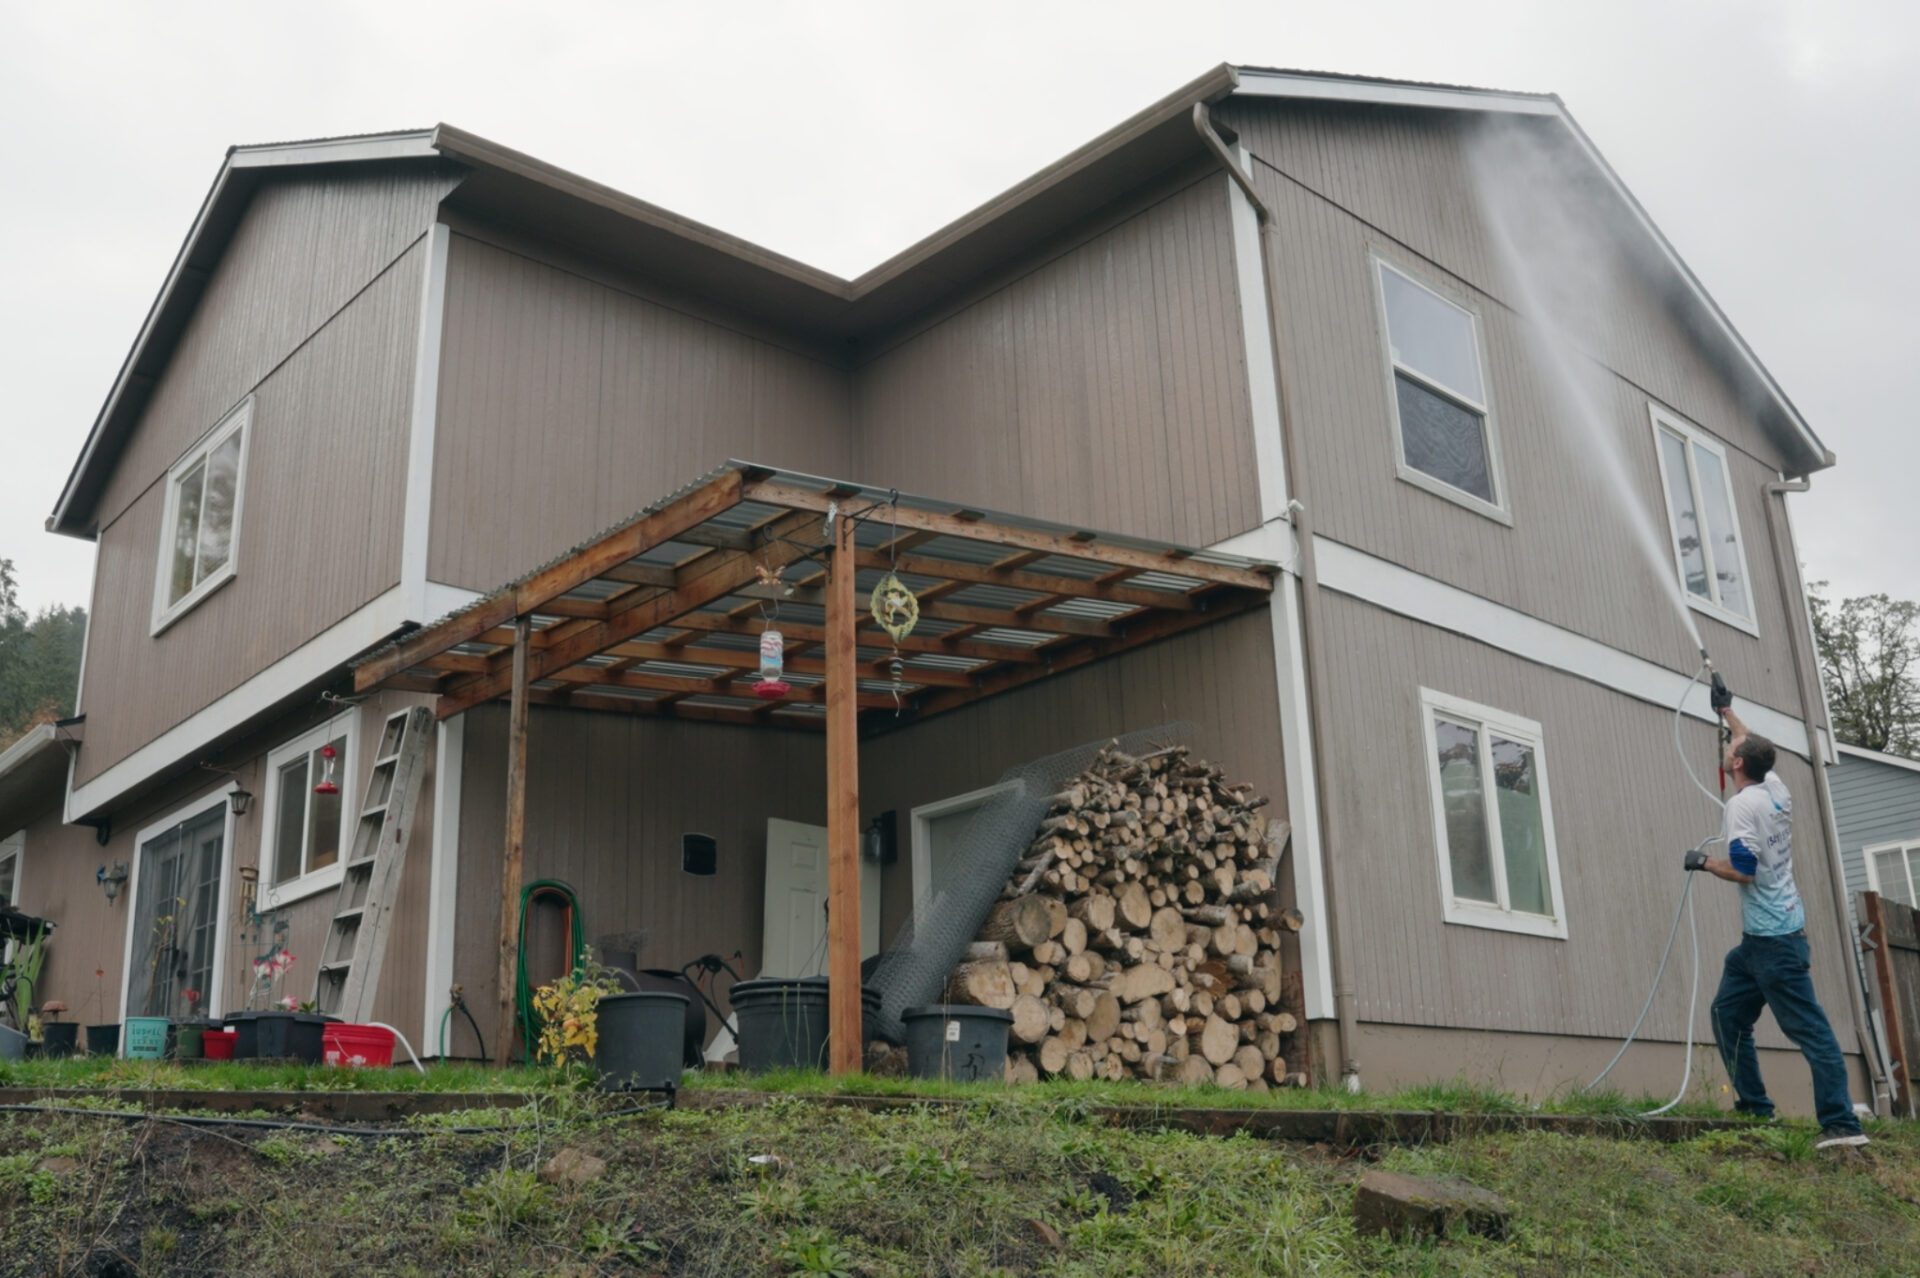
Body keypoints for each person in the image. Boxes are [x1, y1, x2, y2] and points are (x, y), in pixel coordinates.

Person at [1689, 700, 1868, 1149]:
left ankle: (1843, 1125)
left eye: (1733, 747)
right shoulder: (1776, 789)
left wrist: (1706, 863)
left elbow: (1744, 870)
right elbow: (1753, 744)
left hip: (1775, 944)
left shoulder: (1742, 807)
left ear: (1737, 764)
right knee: (1727, 1014)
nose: (1731, 746)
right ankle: (1755, 1110)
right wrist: (1726, 710)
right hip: (1762, 942)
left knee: (1810, 1030)